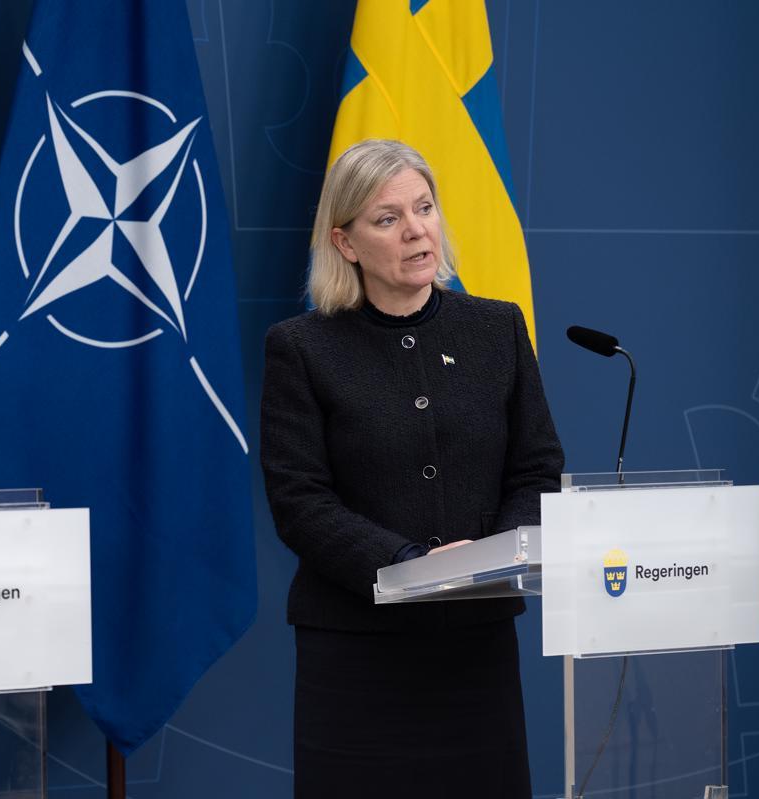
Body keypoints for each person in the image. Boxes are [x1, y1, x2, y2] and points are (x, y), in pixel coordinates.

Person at [259, 138, 564, 798]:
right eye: (387, 218)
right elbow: (299, 499)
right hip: (354, 650)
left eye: (423, 207)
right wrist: (410, 564)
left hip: (474, 647)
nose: (417, 229)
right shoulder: (302, 349)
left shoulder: (497, 329)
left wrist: (493, 558)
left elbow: (537, 466)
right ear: (345, 242)